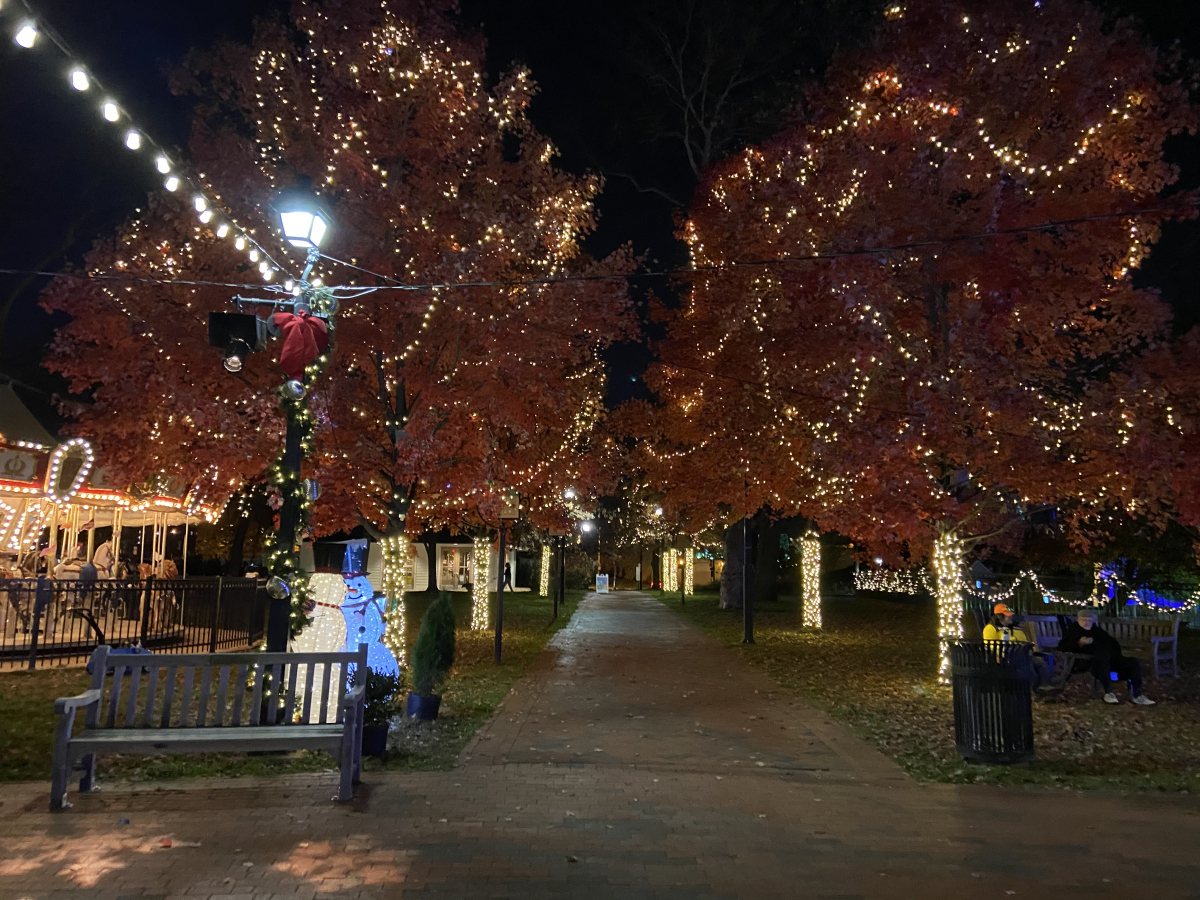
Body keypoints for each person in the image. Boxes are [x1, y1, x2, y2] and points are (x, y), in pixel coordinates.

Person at [1058, 609, 1155, 705]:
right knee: (1101, 657)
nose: (1086, 622)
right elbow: (1063, 647)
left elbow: (1112, 642)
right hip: (1087, 662)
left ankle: (1138, 695)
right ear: (1078, 620)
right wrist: (1079, 643)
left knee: (1133, 662)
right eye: (1083, 620)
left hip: (1110, 659)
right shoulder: (1072, 630)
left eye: (1089, 620)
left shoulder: (1096, 631)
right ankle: (1108, 693)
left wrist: (1114, 653)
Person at [983, 603, 1050, 688]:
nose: (1011, 617)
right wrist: (1004, 654)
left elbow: (1025, 641)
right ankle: (1032, 689)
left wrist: (1030, 650)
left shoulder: (1015, 627)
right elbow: (990, 646)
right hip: (1005, 657)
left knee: (1040, 663)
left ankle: (1045, 686)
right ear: (1000, 617)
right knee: (1027, 664)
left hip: (1020, 654)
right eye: (1007, 615)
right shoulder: (990, 628)